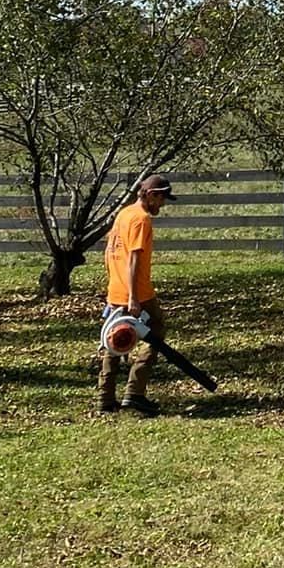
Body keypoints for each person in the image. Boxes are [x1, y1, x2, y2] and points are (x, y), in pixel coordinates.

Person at [97, 174, 175, 416]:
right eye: (161, 199)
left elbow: (109, 250)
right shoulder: (141, 220)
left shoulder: (124, 214)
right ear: (151, 195)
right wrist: (134, 297)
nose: (162, 204)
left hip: (116, 290)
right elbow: (133, 259)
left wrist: (114, 284)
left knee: (114, 341)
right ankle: (135, 393)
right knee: (156, 334)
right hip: (138, 293)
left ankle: (106, 398)